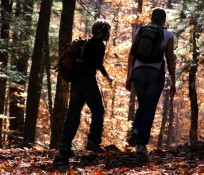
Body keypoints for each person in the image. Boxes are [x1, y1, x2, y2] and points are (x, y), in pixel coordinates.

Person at [53, 19, 112, 165]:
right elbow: (98, 63)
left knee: (73, 112)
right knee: (98, 110)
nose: (108, 34)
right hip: (88, 81)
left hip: (76, 82)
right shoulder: (98, 45)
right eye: (107, 31)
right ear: (102, 31)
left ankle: (64, 146)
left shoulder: (83, 44)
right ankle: (93, 143)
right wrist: (107, 76)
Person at [126, 8, 176, 155]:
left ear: (152, 18)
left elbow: (131, 55)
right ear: (163, 20)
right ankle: (141, 145)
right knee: (150, 107)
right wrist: (173, 81)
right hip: (155, 74)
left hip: (138, 73)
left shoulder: (140, 31)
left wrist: (128, 77)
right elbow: (170, 59)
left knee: (143, 104)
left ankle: (136, 128)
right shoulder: (167, 34)